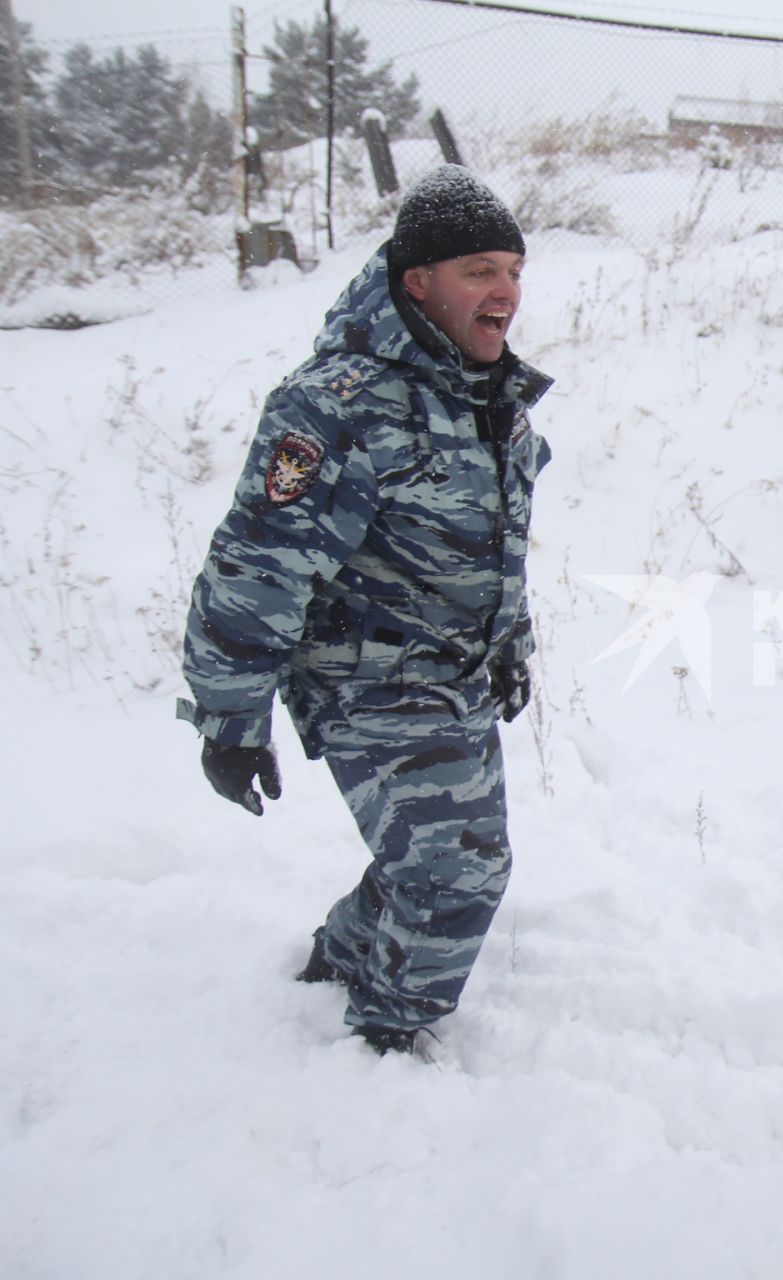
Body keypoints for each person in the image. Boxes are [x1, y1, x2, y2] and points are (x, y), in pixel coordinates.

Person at [177, 165, 553, 1057]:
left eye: (511, 269)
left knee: (438, 860)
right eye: (477, 270)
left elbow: (492, 550)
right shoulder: (338, 405)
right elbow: (255, 566)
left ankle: (343, 956)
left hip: (453, 674)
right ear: (415, 281)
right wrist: (230, 719)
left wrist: (508, 647)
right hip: (365, 676)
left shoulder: (484, 398)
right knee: (458, 872)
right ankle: (384, 1042)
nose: (503, 291)